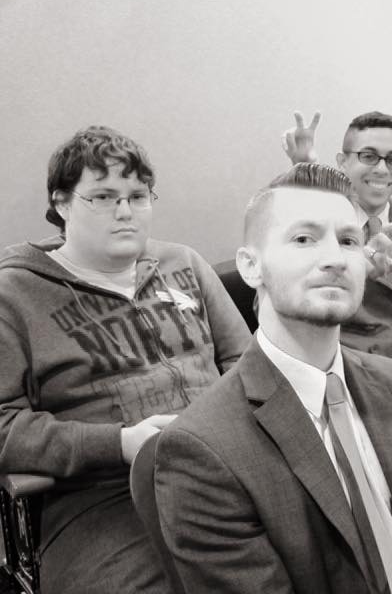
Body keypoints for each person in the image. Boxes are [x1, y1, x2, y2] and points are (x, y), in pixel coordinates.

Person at [153, 163, 392, 593]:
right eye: (304, 239)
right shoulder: (202, 450)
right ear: (251, 267)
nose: (334, 259)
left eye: (348, 241)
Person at [0, 126, 251, 593]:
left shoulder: (184, 263)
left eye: (137, 196)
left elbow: (247, 365)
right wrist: (119, 443)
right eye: (103, 197)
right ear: (61, 203)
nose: (124, 212)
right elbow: (4, 427)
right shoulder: (14, 294)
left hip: (226, 470)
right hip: (104, 496)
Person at [283, 111, 392, 364]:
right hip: (327, 362)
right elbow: (277, 304)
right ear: (342, 162)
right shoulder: (313, 224)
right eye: (369, 157)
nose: (382, 170)